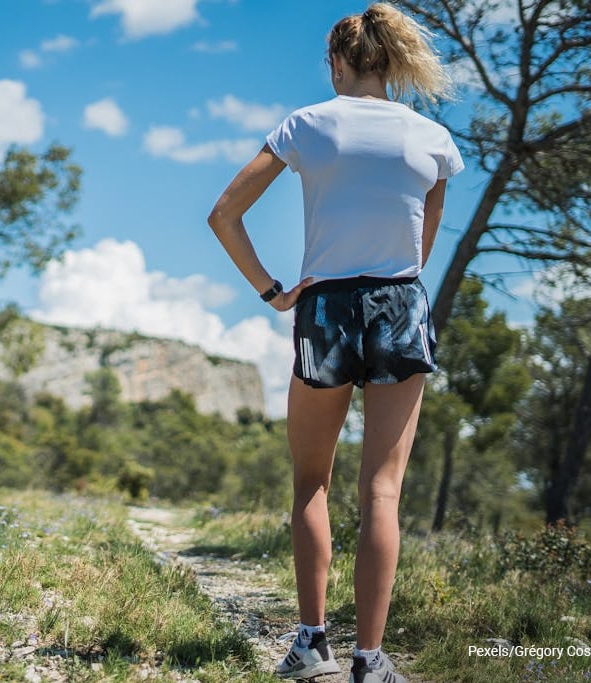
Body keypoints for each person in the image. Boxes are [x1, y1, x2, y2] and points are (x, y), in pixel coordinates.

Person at [208, 4, 463, 683]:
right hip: (400, 304)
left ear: (337, 64)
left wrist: (273, 291)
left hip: (325, 307)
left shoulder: (306, 125)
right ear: (392, 62)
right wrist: (396, 288)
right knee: (382, 490)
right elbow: (423, 240)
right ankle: (369, 661)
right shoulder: (432, 137)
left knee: (310, 483)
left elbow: (223, 214)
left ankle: (311, 643)